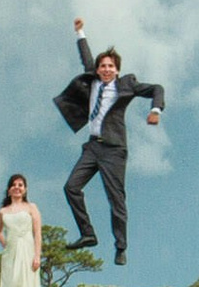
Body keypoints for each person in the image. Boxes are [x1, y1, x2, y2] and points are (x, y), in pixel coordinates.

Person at [53, 18, 166, 267]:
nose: (105, 69)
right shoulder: (93, 81)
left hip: (114, 149)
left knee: (116, 199)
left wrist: (155, 110)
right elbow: (86, 56)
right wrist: (80, 32)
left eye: (110, 66)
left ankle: (120, 247)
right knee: (71, 187)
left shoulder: (126, 85)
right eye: (102, 66)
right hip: (92, 146)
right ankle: (88, 234)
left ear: (116, 70)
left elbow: (157, 88)